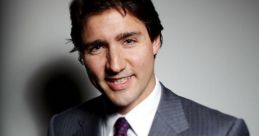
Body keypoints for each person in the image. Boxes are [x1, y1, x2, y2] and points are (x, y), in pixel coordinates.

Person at [48, 0, 249, 135]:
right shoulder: (61, 127)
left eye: (128, 41)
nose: (115, 65)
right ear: (82, 55)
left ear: (155, 41)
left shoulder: (223, 132)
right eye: (97, 47)